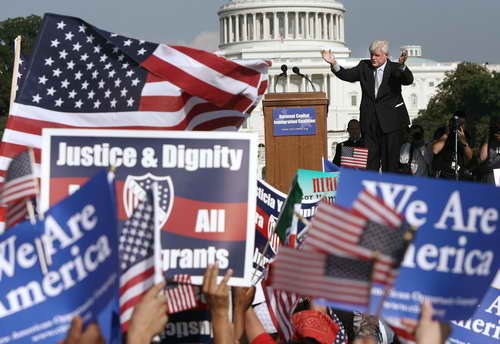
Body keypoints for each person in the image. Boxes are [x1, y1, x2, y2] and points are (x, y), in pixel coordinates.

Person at [321, 40, 414, 173]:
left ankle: (388, 190)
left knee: (391, 164)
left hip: (392, 123)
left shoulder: (395, 68)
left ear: (385, 55)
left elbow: (408, 80)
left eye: (376, 55)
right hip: (370, 123)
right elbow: (348, 75)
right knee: (370, 163)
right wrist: (334, 63)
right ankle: (372, 189)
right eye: (371, 54)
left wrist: (402, 66)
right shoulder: (364, 66)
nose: (372, 58)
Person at [432, 111, 474, 180]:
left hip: (458, 174)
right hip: (442, 174)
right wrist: (447, 133)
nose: (459, 126)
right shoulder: (442, 132)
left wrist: (464, 142)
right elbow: (435, 150)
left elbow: (470, 157)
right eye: (457, 123)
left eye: (462, 123)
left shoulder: (466, 136)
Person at [476, 115, 500, 183]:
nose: (498, 131)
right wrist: (488, 139)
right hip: (490, 174)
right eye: (496, 128)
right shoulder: (489, 140)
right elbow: (482, 158)